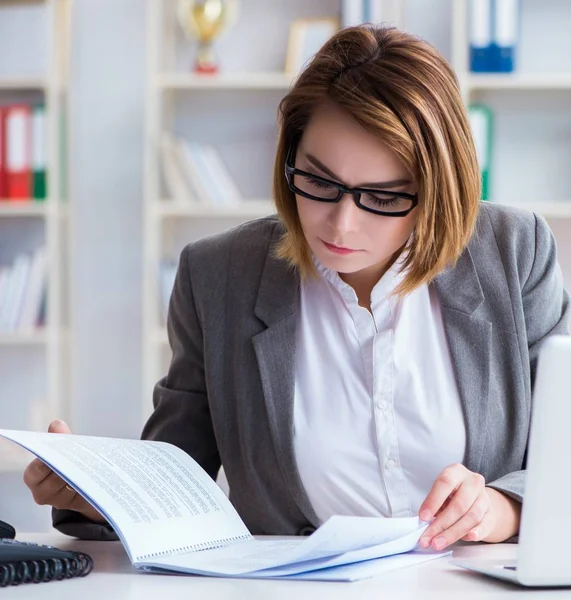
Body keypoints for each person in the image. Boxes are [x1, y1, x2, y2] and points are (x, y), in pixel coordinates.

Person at [24, 24, 569, 551]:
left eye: (382, 197)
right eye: (318, 181)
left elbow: (563, 447)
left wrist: (505, 506)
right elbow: (175, 470)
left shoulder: (513, 251)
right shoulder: (218, 276)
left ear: (437, 188)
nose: (340, 225)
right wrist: (95, 494)